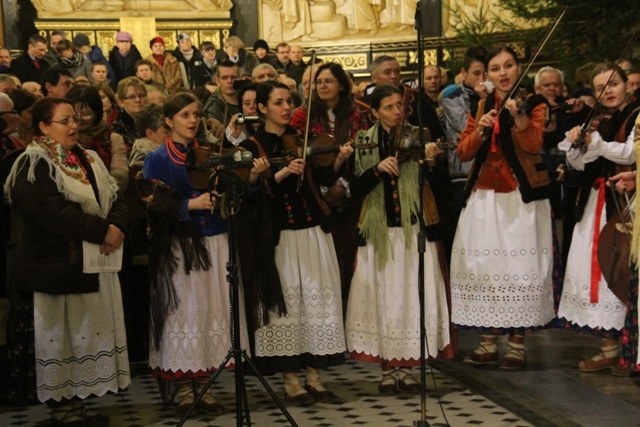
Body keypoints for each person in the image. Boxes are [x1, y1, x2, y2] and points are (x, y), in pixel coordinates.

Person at [4, 96, 129, 425]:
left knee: (86, 335)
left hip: (93, 265)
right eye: (65, 121)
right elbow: (49, 211)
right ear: (44, 126)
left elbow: (114, 194)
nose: (74, 126)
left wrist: (115, 226)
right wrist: (100, 230)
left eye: (75, 119)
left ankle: (79, 402)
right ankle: (63, 407)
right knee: (62, 338)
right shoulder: (33, 162)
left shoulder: (87, 158)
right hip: (56, 268)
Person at [143, 91, 266, 415]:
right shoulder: (158, 158)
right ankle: (185, 389)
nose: (193, 120)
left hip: (216, 238)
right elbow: (151, 204)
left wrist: (250, 177)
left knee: (213, 310)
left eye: (196, 114)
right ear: (169, 121)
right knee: (183, 313)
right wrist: (188, 205)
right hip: (181, 245)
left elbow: (236, 189)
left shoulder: (208, 153)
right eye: (185, 115)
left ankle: (206, 386)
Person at [240, 81, 352, 405]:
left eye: (289, 101)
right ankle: (291, 381)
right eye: (278, 102)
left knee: (318, 300)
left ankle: (315, 377)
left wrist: (338, 161)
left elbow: (324, 180)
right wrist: (278, 174)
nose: (287, 107)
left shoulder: (303, 138)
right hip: (280, 238)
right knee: (287, 306)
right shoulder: (253, 146)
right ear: (262, 108)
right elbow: (251, 197)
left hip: (313, 230)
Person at [450, 45, 555, 370]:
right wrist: (481, 129)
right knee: (483, 269)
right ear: (488, 75)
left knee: (518, 271)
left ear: (518, 68)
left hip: (519, 200)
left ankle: (516, 345)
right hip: (484, 197)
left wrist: (519, 117)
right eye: (495, 68)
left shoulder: (535, 104)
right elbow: (463, 153)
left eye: (508, 65)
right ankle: (487, 341)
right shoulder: (481, 104)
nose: (503, 72)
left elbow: (534, 143)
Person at [344, 84, 452, 394]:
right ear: (374, 112)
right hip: (379, 232)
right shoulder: (364, 141)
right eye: (388, 107)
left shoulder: (420, 135)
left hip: (414, 228)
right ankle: (387, 368)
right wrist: (377, 169)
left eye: (399, 106)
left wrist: (431, 160)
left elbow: (436, 184)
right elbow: (356, 188)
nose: (396, 112)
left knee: (412, 298)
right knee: (383, 299)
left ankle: (410, 366)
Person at [557, 62, 640, 373]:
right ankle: (609, 346)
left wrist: (598, 145)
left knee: (620, 270)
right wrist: (579, 146)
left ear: (627, 85)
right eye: (601, 88)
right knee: (596, 268)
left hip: (627, 201)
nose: (609, 92)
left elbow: (631, 153)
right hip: (596, 202)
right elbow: (580, 166)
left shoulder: (636, 114)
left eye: (614, 84)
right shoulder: (597, 119)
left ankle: (629, 350)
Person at [66, 84, 129, 192]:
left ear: (97, 113)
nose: (79, 119)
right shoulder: (63, 138)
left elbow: (120, 177)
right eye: (75, 116)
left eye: (86, 114)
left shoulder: (112, 138)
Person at [112, 76, 148, 152]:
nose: (138, 100)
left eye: (141, 96)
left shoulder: (153, 122)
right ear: (121, 102)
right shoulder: (117, 128)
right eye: (132, 97)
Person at [203, 61, 240, 126]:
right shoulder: (212, 106)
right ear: (217, 81)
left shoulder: (247, 99)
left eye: (233, 77)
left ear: (239, 79)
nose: (229, 81)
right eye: (224, 78)